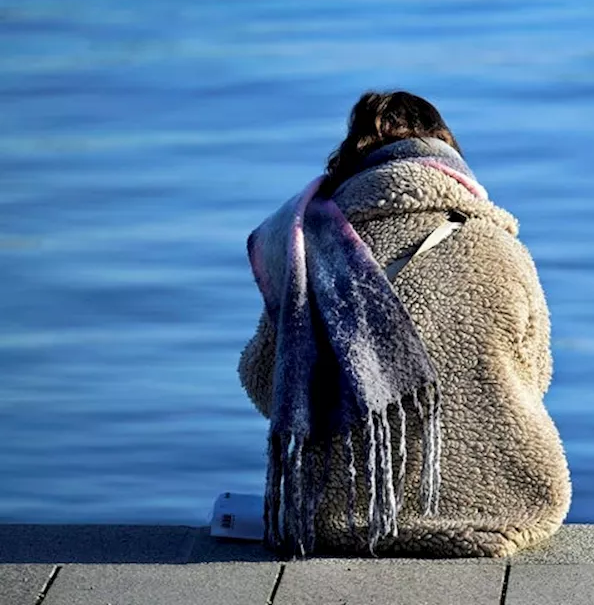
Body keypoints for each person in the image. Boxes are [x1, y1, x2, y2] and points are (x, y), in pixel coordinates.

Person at [238, 91, 570, 557]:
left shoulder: (308, 250)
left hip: (345, 515)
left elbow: (263, 382)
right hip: (508, 505)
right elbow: (533, 378)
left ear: (354, 162)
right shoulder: (501, 251)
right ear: (450, 162)